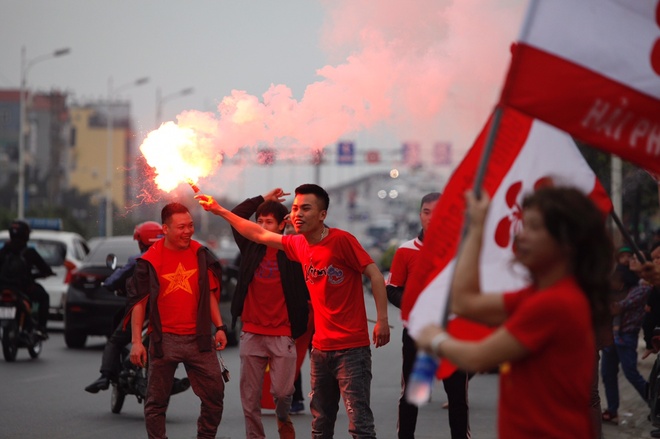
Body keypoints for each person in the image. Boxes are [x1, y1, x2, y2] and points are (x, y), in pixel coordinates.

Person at [416, 186, 613, 438]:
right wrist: (476, 229)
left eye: (534, 228)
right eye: (523, 226)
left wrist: (435, 339)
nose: (521, 237)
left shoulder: (556, 302)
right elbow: (463, 301)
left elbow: (477, 358)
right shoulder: (537, 293)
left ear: (566, 241)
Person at [197, 184, 390, 439]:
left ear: (322, 215)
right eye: (295, 208)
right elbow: (255, 233)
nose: (298, 213)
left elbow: (375, 275)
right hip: (320, 350)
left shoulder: (341, 241)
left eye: (306, 208)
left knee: (360, 424)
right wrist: (219, 210)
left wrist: (382, 321)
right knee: (320, 425)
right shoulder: (298, 245)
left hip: (351, 349)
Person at [128, 202, 227, 439]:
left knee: (215, 395)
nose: (188, 231)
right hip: (164, 341)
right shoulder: (151, 259)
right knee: (155, 403)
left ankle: (206, 436)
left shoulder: (201, 254)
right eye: (181, 227)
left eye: (190, 226)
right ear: (165, 229)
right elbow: (138, 303)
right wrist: (136, 342)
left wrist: (220, 327)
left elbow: (210, 295)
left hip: (199, 339)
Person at [386, 192, 470, 439]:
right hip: (417, 334)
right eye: (426, 212)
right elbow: (392, 288)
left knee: (457, 397)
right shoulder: (405, 251)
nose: (432, 218)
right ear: (420, 215)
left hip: (453, 334)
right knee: (412, 395)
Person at [230, 189, 309, 439]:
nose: (262, 227)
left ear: (281, 225)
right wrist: (262, 199)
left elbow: (315, 233)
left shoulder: (293, 250)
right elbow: (235, 215)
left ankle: (283, 419)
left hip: (283, 333)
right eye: (259, 221)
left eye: (268, 223)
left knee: (283, 393)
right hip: (252, 332)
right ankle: (255, 436)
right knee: (249, 398)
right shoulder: (250, 245)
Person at [85, 221, 190, 396]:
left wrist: (109, 284)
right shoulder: (175, 257)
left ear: (141, 241)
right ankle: (171, 380)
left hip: (140, 311)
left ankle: (105, 376)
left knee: (115, 341)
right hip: (169, 314)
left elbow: (116, 279)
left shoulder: (138, 260)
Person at [600, 263, 651, 424]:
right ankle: (612, 410)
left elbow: (618, 307)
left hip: (626, 337)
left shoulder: (639, 290)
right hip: (612, 337)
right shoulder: (618, 292)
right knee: (608, 373)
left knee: (631, 373)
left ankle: (655, 404)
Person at [0, 220, 53, 338]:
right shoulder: (29, 252)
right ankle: (41, 328)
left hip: (2, 287)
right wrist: (48, 273)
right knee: (44, 297)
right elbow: (45, 268)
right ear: (26, 235)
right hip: (23, 289)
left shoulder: (4, 251)